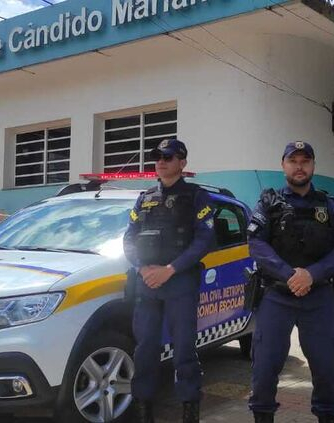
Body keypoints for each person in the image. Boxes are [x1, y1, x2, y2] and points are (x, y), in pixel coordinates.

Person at [247, 141, 334, 423]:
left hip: (318, 296)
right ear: (283, 165)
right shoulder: (268, 204)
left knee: (327, 366)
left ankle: (328, 417)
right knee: (265, 366)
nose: (299, 166)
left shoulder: (329, 206)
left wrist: (312, 274)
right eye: (293, 160)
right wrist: (289, 274)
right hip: (277, 295)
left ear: (313, 166)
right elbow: (256, 243)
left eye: (305, 160)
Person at [123, 138, 215, 423]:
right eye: (157, 156)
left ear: (183, 162)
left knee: (184, 351)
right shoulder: (144, 197)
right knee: (145, 350)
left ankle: (189, 410)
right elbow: (129, 238)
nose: (161, 161)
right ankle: (143, 410)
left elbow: (205, 240)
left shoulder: (197, 197)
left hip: (180, 285)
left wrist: (171, 269)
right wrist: (141, 268)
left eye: (169, 156)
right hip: (147, 285)